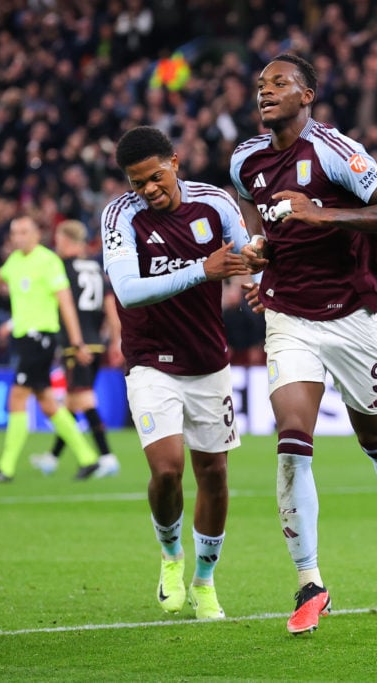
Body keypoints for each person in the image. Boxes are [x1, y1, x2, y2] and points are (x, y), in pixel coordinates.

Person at [230, 53, 377, 635]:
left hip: (353, 318)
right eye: (261, 85)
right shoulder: (245, 161)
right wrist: (259, 258)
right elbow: (266, 228)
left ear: (308, 96)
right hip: (289, 317)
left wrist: (324, 217)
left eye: (279, 84)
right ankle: (309, 582)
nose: (265, 92)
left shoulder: (334, 150)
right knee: (292, 441)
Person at [102, 126, 251, 621]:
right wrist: (202, 271)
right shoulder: (120, 216)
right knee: (167, 469)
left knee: (214, 474)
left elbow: (247, 252)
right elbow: (127, 290)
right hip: (150, 360)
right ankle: (171, 556)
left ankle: (205, 581)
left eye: (155, 176)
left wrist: (260, 278)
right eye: (137, 181)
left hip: (208, 361)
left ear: (175, 162)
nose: (148, 189)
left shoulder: (215, 203)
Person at [0, 215, 101, 482]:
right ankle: (89, 458)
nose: (18, 237)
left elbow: (65, 302)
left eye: (23, 232)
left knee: (17, 397)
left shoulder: (48, 261)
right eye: (14, 233)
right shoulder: (16, 261)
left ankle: (5, 468)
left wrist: (77, 342)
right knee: (46, 403)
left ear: (36, 234)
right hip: (25, 338)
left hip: (41, 338)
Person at [29, 219, 122, 479]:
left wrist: (76, 342)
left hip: (76, 342)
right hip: (96, 341)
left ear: (67, 241)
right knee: (71, 402)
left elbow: (63, 304)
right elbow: (110, 307)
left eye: (58, 240)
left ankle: (106, 456)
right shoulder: (95, 267)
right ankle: (52, 457)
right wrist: (116, 340)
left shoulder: (61, 268)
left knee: (83, 399)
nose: (56, 245)